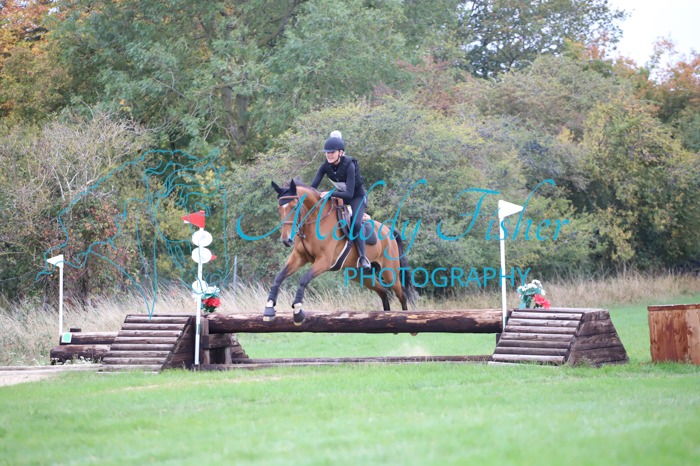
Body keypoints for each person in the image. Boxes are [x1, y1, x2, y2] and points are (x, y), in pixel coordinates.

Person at [310, 132, 371, 270]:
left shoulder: (350, 165)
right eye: (327, 152)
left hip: (356, 197)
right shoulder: (325, 166)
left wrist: (330, 194)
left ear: (340, 153)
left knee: (355, 223)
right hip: (341, 197)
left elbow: (349, 194)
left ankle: (363, 257)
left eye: (332, 152)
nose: (329, 155)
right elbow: (312, 187)